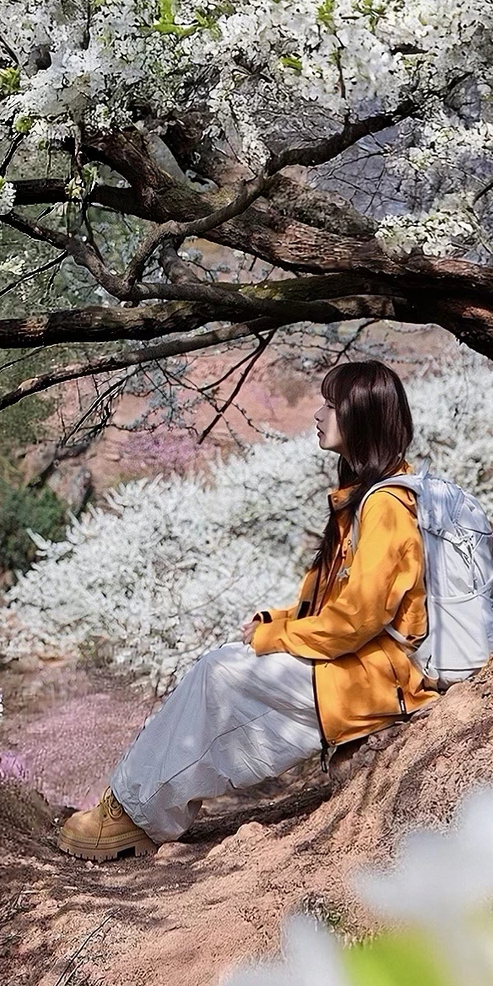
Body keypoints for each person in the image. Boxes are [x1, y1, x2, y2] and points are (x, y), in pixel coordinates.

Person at [57, 359, 440, 862]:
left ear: (361, 418)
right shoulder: (371, 498)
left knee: (218, 674)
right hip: (366, 667)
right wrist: (276, 623)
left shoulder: (385, 507)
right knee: (221, 666)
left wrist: (274, 639)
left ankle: (132, 815)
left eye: (331, 405)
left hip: (380, 678)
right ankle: (133, 807)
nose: (318, 415)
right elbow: (335, 604)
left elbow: (353, 621)